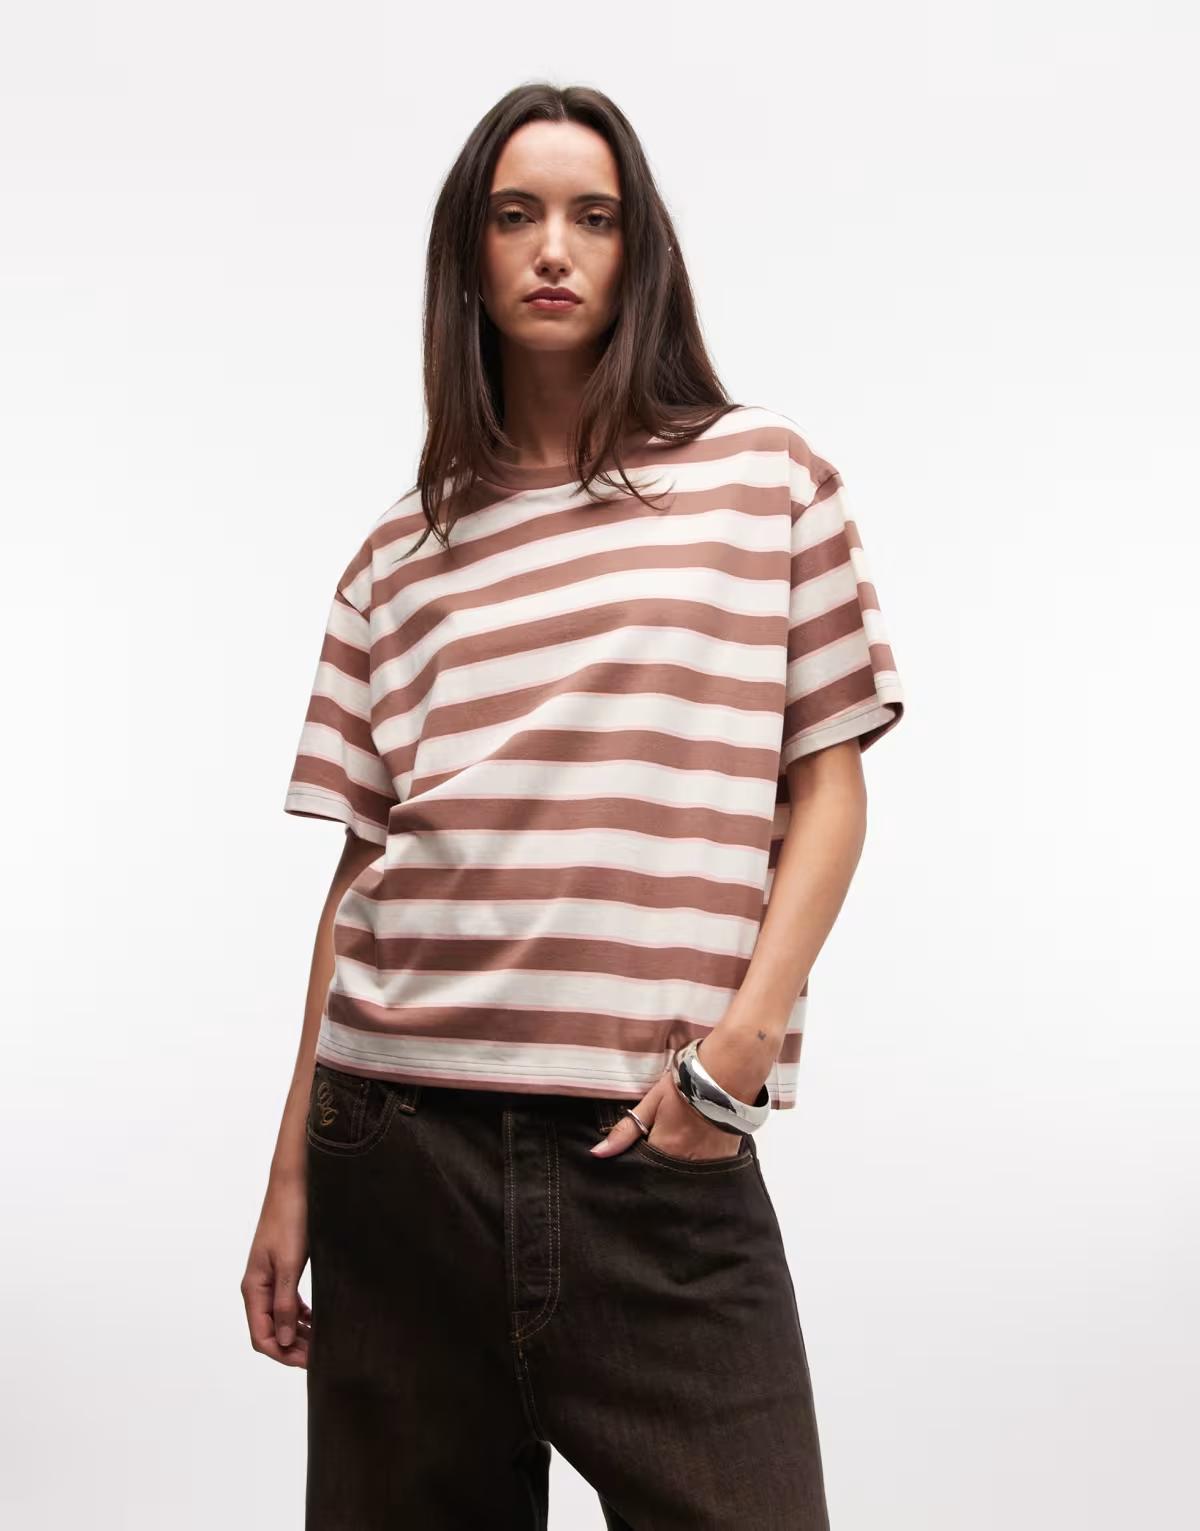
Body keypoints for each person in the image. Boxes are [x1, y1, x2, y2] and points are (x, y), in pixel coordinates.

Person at [241, 82, 904, 1531]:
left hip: (650, 1149)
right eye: (516, 215)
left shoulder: (763, 480)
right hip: (396, 1150)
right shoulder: (395, 558)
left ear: (637, 250)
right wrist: (289, 1177)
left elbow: (829, 788)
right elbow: (359, 875)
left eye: (593, 217)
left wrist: (736, 1057)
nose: (554, 248)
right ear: (468, 257)